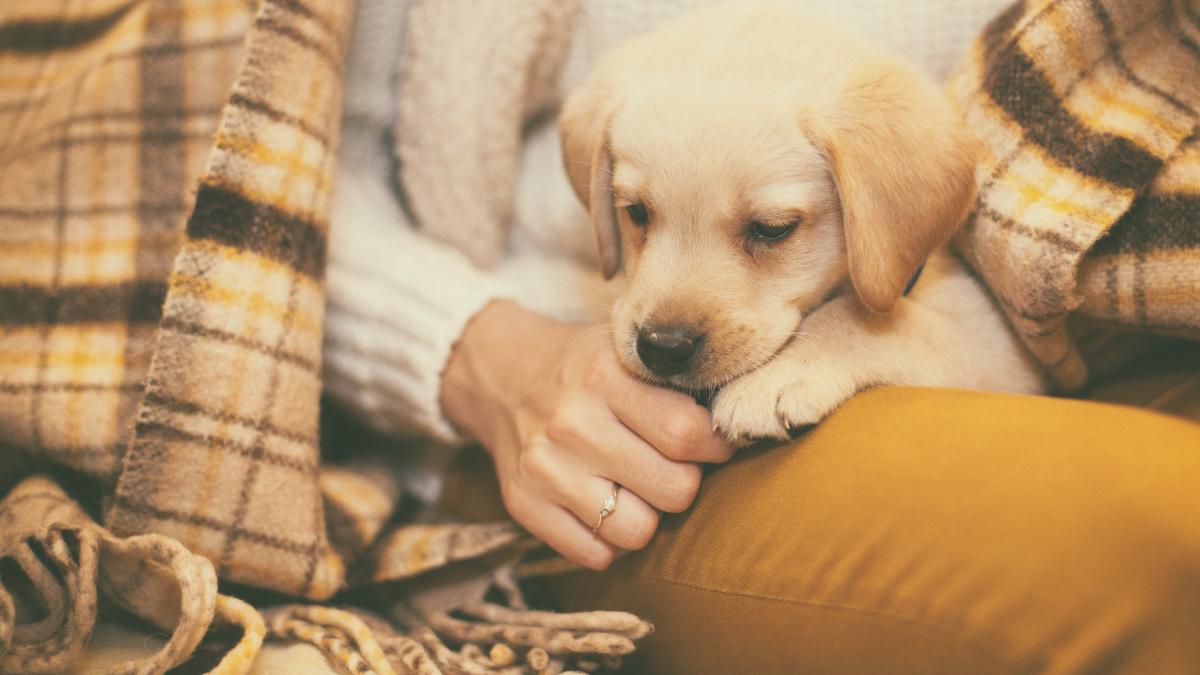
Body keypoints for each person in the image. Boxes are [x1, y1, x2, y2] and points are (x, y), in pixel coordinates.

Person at [325, 1, 1200, 670]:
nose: (667, 316)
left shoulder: (891, 153)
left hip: (1129, 314)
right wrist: (485, 354)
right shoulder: (618, 152)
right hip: (554, 402)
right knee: (1159, 537)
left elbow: (990, 325)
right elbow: (305, 187)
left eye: (767, 231)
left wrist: (859, 334)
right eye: (638, 215)